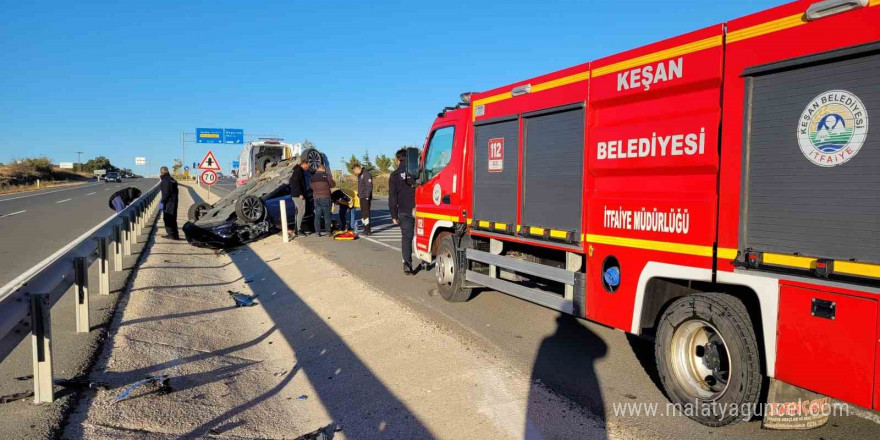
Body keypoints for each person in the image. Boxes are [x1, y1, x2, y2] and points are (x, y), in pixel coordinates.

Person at [389, 148, 417, 275]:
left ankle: (407, 263)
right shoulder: (417, 172)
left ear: (397, 160)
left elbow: (393, 197)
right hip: (421, 209)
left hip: (404, 210)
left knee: (407, 238)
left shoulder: (394, 175)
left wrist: (393, 214)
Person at [310, 164, 335, 237]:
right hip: (326, 197)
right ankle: (328, 232)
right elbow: (333, 185)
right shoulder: (326, 176)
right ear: (323, 169)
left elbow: (311, 187)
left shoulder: (312, 177)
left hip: (316, 198)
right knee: (327, 216)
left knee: (317, 215)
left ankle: (317, 232)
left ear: (317, 169)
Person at [288, 158, 309, 238]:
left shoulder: (298, 170)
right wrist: (300, 193)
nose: (308, 167)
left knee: (298, 212)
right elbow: (296, 183)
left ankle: (297, 229)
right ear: (304, 164)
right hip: (298, 195)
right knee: (301, 211)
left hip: (296, 194)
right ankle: (298, 230)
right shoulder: (298, 171)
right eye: (307, 165)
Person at [159, 166, 180, 240]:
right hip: (174, 201)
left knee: (168, 218)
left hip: (168, 203)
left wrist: (162, 203)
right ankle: (175, 235)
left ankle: (171, 234)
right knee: (173, 218)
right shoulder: (172, 179)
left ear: (162, 172)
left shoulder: (165, 180)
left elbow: (166, 193)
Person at [353, 163, 373, 235]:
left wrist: (367, 196)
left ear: (357, 168)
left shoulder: (366, 174)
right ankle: (365, 228)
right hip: (361, 196)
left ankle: (368, 230)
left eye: (354, 171)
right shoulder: (360, 175)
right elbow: (361, 186)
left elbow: (369, 186)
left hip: (365, 197)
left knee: (366, 213)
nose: (354, 173)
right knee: (363, 214)